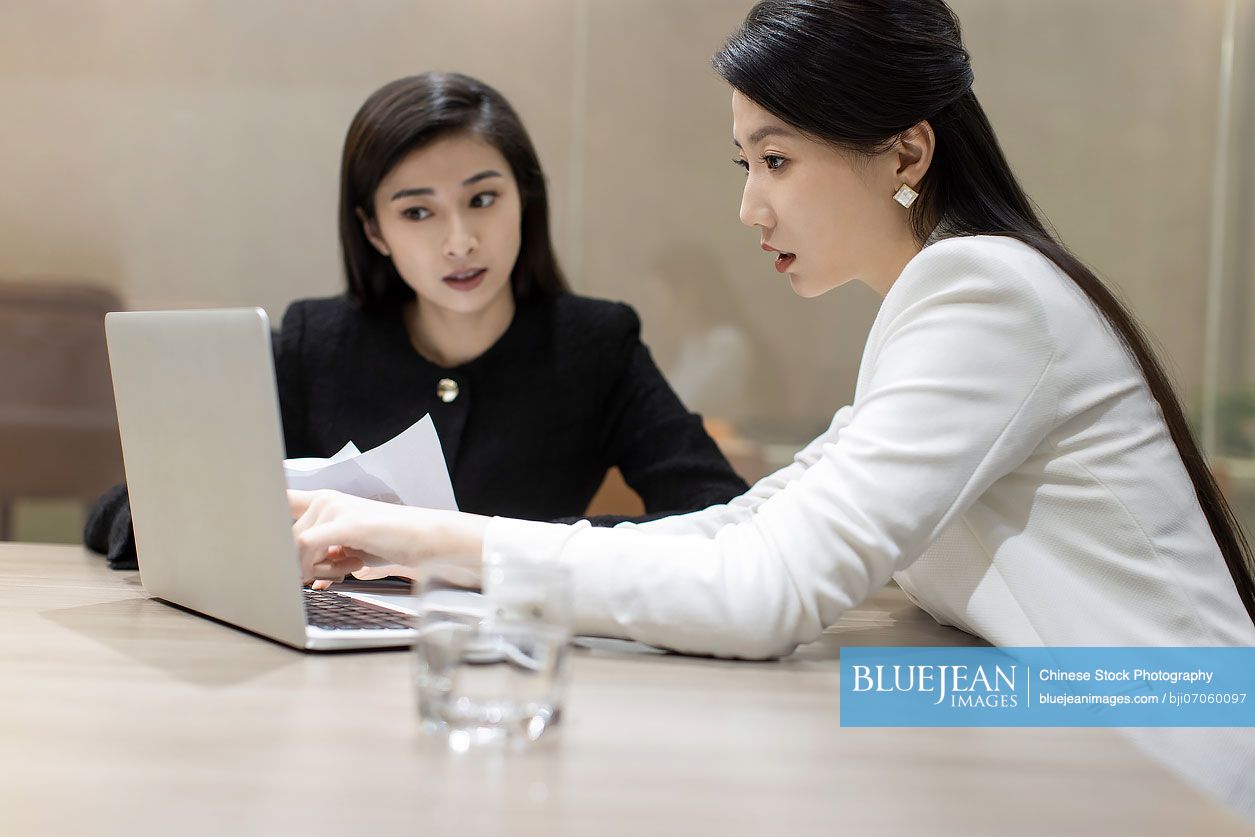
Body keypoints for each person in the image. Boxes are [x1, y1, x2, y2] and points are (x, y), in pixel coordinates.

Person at [289, 2, 1255, 656]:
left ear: (906, 150)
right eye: (743, 165)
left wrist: (431, 541)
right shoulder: (950, 301)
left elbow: (761, 595)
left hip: (1172, 732)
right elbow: (738, 527)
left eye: (777, 161)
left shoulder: (982, 295)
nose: (750, 209)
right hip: (1080, 708)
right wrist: (427, 541)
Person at [85, 72, 747, 570]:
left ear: (525, 200)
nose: (459, 240)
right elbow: (122, 511)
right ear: (373, 229)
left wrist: (511, 550)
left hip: (511, 659)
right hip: (333, 668)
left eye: (482, 199)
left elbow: (723, 517)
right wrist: (260, 538)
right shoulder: (316, 344)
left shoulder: (595, 345)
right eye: (417, 212)